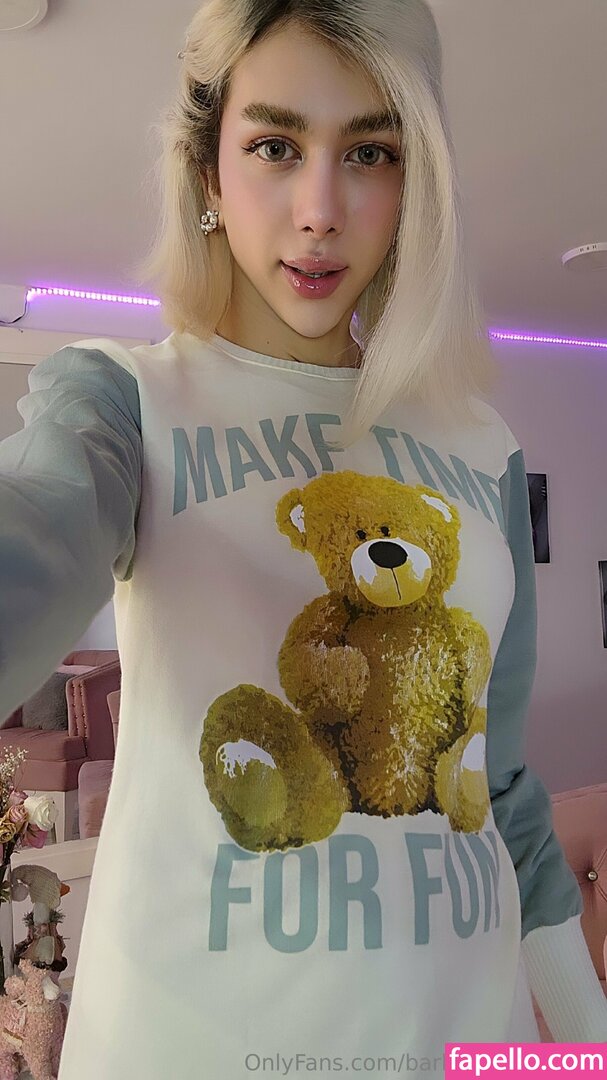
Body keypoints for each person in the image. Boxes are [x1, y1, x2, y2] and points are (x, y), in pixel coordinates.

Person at [1, 1, 606, 1075]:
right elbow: (32, 537)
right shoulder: (121, 397)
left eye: (369, 152)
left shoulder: (486, 445)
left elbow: (503, 784)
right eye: (275, 146)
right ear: (207, 169)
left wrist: (591, 1043)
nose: (320, 210)